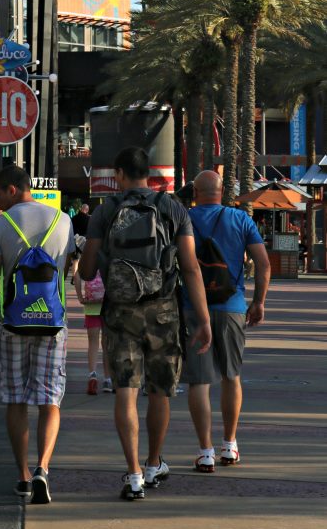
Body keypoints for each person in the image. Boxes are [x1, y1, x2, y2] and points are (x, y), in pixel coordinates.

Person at [79, 146, 212, 501]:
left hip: (120, 312)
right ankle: (153, 463)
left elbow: (88, 270)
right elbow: (191, 267)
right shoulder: (171, 208)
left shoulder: (106, 210)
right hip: (164, 311)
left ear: (120, 175)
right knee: (159, 391)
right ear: (149, 174)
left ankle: (134, 474)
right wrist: (203, 318)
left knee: (125, 391)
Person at [0, 166, 75, 505]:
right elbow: (65, 269)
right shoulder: (63, 221)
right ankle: (43, 468)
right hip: (53, 322)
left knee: (16, 397)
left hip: (12, 323)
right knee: (51, 398)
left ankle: (22, 474)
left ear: (12, 190)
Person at [184, 170, 270, 472]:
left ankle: (205, 451)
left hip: (193, 308)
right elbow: (263, 264)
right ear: (223, 192)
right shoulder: (241, 220)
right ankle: (230, 444)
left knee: (199, 381)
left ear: (195, 191)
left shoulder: (184, 219)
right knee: (231, 376)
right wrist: (258, 301)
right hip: (232, 306)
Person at [73, 266, 112, 394]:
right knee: (107, 344)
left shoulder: (87, 247)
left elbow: (77, 273)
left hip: (91, 304)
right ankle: (108, 380)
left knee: (93, 343)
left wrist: (80, 296)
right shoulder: (111, 247)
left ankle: (92, 375)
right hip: (108, 303)